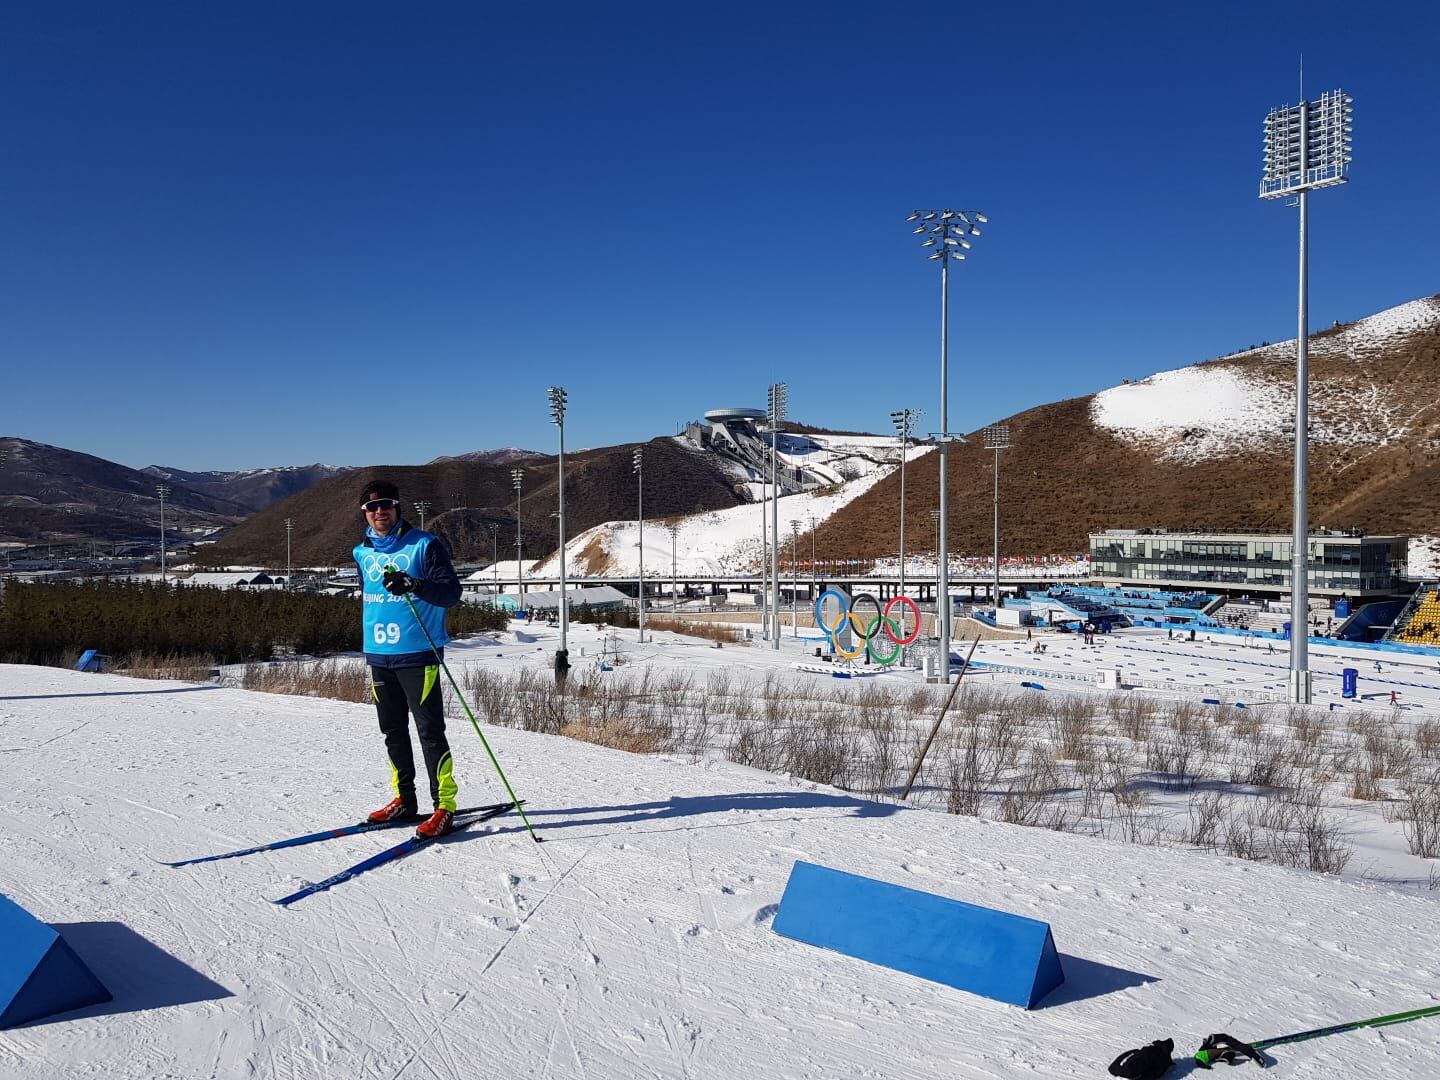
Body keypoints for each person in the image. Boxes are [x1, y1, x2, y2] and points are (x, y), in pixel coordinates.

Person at [354, 480, 464, 839]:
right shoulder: (361, 552)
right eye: (371, 508)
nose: (379, 512)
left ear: (397, 508)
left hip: (418, 654)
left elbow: (450, 593)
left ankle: (444, 806)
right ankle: (404, 799)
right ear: (365, 514)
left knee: (430, 733)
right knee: (393, 733)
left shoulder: (425, 545)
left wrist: (415, 585)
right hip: (379, 656)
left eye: (385, 505)